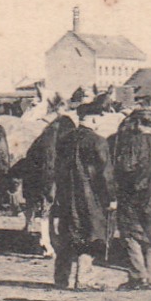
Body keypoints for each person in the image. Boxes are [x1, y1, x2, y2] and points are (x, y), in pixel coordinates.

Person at [109, 107, 151, 290]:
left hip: (134, 195)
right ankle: (150, 277)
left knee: (130, 236)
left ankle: (138, 276)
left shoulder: (134, 142)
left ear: (137, 123)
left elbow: (126, 167)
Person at [52, 118, 112, 290]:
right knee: (89, 235)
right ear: (94, 119)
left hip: (65, 194)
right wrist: (110, 197)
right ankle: (83, 279)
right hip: (90, 198)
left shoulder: (64, 140)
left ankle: (61, 278)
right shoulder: (98, 141)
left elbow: (57, 169)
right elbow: (105, 173)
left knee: (67, 235)